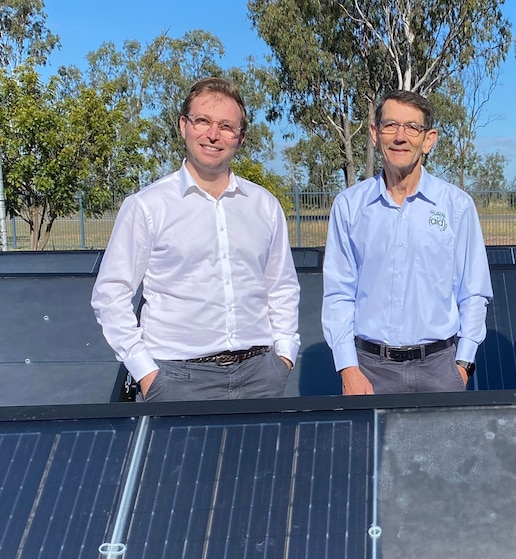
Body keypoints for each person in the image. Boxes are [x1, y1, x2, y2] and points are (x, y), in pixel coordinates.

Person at [91, 77, 300, 401]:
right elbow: (111, 294)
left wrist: (283, 357)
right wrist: (147, 373)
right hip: (177, 381)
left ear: (240, 137)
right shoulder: (148, 206)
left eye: (227, 126)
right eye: (202, 121)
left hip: (260, 377)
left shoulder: (264, 205)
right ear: (183, 126)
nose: (213, 135)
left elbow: (282, 287)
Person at [322, 89, 493, 395]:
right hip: (369, 371)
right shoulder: (349, 206)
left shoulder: (457, 206)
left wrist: (463, 365)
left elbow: (474, 292)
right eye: (390, 126)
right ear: (375, 134)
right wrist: (348, 368)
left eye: (412, 127)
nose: (400, 137)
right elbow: (338, 294)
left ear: (429, 139)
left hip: (440, 370)